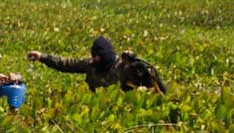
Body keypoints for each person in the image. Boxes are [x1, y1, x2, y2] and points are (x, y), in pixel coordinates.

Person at [27, 36, 166, 93]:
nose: (95, 59)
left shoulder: (125, 67)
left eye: (99, 57)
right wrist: (42, 57)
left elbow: (155, 89)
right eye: (94, 56)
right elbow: (66, 64)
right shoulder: (90, 64)